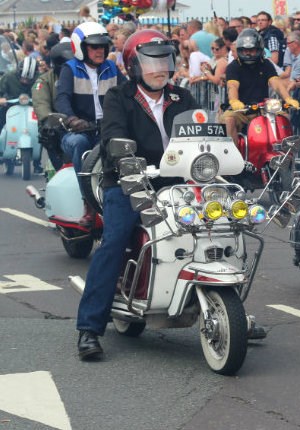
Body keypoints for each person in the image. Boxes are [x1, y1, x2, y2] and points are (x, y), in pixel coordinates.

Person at [76, 29, 200, 360]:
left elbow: (203, 132)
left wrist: (231, 160)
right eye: (151, 62)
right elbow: (112, 135)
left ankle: (230, 311)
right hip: (129, 181)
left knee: (218, 224)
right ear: (134, 65)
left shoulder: (182, 98)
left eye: (165, 61)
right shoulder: (119, 97)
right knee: (115, 240)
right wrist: (126, 162)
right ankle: (89, 328)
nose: (160, 68)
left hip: (176, 182)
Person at [55, 22, 125, 175]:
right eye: (94, 47)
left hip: (106, 129)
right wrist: (72, 120)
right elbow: (62, 99)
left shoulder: (111, 68)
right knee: (79, 143)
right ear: (80, 47)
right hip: (78, 131)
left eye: (103, 46)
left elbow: (128, 91)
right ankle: (86, 194)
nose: (100, 51)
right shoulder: (70, 69)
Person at [221, 29, 298, 145]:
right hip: (241, 109)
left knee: (285, 115)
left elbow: (276, 83)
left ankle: (284, 151)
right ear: (240, 50)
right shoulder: (233, 67)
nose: (248, 53)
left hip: (263, 107)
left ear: (259, 49)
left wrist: (288, 98)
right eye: (245, 50)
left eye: (251, 50)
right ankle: (234, 155)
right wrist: (234, 101)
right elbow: (232, 86)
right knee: (228, 120)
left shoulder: (266, 64)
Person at [33, 42, 74, 171]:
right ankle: (59, 171)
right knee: (49, 133)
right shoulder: (44, 81)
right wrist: (49, 119)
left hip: (81, 123)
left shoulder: (84, 77)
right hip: (58, 124)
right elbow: (41, 104)